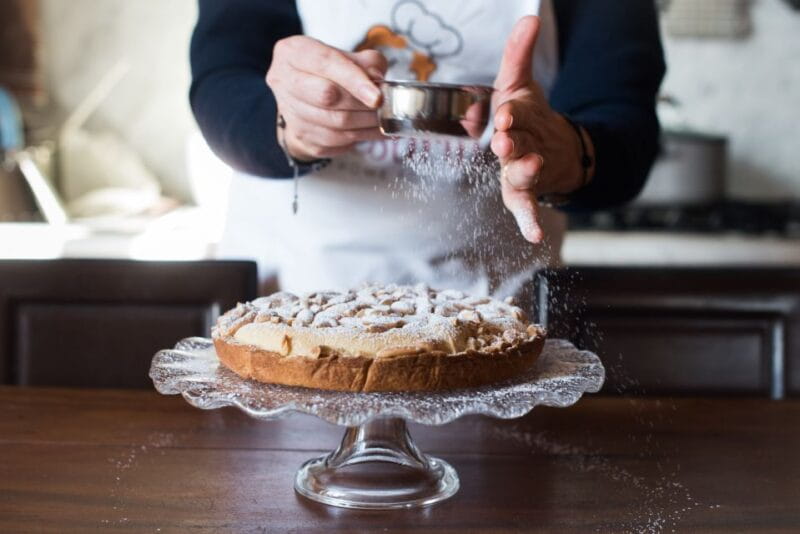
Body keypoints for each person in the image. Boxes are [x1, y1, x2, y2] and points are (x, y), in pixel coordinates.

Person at [190, 0, 665, 297]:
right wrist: (287, 125)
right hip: (295, 296)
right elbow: (221, 82)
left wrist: (563, 153)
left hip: (496, 311)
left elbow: (624, 124)